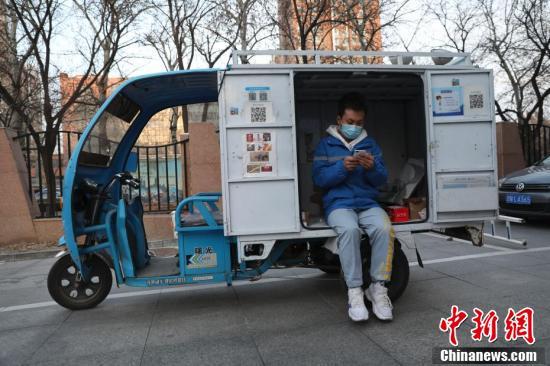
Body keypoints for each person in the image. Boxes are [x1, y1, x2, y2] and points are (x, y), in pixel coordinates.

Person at [312, 92, 395, 322]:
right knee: (349, 231)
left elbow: (381, 180)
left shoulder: (370, 144)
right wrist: (342, 169)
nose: (354, 127)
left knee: (383, 228)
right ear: (339, 120)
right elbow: (318, 180)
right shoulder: (325, 145)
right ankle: (355, 292)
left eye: (359, 123)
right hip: (338, 205)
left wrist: (372, 168)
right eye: (350, 122)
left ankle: (378, 289)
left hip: (367, 203)